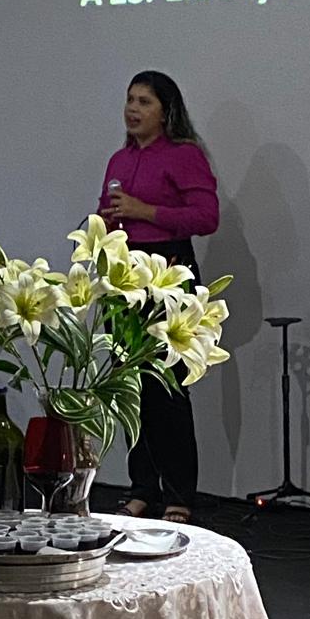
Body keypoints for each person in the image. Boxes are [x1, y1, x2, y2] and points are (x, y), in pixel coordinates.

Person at [97, 70, 219, 524]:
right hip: (125, 275)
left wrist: (144, 210)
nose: (133, 109)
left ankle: (179, 494)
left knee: (167, 388)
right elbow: (108, 216)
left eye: (144, 102)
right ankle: (142, 489)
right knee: (131, 388)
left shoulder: (184, 156)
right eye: (130, 100)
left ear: (166, 112)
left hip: (169, 272)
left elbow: (206, 217)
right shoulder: (119, 159)